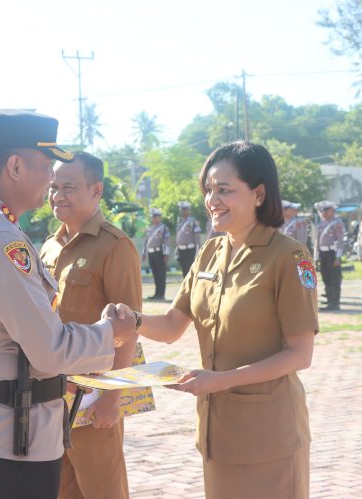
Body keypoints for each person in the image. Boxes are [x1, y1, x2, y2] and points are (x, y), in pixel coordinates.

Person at [0, 109, 137, 499]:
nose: (50, 180)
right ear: (14, 166)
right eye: (46, 166)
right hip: (7, 441)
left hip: (6, 432)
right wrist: (111, 333)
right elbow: (49, 351)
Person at [114, 141, 317, 499]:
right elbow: (173, 325)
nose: (212, 200)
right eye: (208, 190)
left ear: (258, 194)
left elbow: (299, 354)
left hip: (269, 436)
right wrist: (133, 319)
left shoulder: (290, 257)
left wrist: (221, 380)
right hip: (217, 433)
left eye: (224, 189)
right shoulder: (209, 252)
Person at [40, 151, 141, 499]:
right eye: (54, 187)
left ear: (96, 190)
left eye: (69, 187)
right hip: (53, 393)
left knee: (103, 489)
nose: (58, 196)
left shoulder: (115, 246)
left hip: (94, 394)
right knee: (61, 490)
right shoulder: (48, 247)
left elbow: (129, 328)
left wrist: (113, 397)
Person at [315, 200, 345, 311]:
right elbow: (317, 242)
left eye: (324, 211)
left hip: (333, 254)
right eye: (321, 211)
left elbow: (340, 241)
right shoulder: (321, 223)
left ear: (331, 211)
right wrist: (316, 257)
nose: (322, 213)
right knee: (326, 277)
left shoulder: (337, 223)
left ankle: (335, 303)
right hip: (323, 254)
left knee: (334, 278)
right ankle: (329, 300)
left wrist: (338, 257)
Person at [143, 208, 171, 300]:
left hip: (159, 253)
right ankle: (156, 293)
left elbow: (166, 241)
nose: (154, 218)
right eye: (153, 216)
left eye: (156, 216)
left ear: (159, 217)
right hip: (151, 253)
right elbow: (146, 242)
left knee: (161, 274)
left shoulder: (163, 228)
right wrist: (144, 253)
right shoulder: (150, 229)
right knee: (155, 274)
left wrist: (166, 253)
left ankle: (161, 294)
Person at [176, 200, 201, 276]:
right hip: (181, 250)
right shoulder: (179, 221)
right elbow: (178, 237)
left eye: (185, 209)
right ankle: (186, 287)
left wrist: (198, 250)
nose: (183, 211)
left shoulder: (193, 221)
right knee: (184, 271)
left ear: (189, 210)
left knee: (192, 270)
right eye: (182, 209)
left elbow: (197, 237)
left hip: (190, 250)